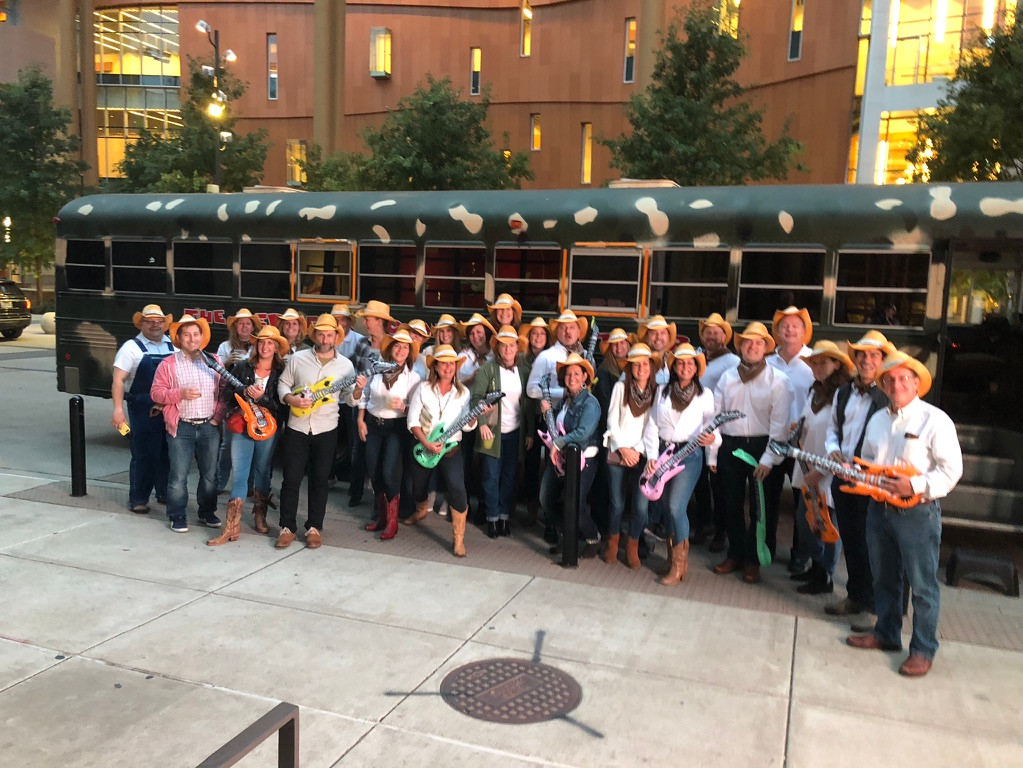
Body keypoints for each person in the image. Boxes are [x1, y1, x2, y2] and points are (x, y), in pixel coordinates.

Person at [847, 351, 962, 678]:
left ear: (915, 383)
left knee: (923, 585)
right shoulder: (877, 420)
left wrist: (913, 485)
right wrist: (857, 476)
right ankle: (886, 633)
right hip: (878, 509)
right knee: (884, 577)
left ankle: (923, 649)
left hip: (918, 514)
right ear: (883, 385)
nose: (896, 385)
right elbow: (868, 463)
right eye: (890, 380)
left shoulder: (934, 419)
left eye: (903, 379)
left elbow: (951, 471)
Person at [710, 321, 792, 584]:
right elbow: (715, 417)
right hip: (731, 446)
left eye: (759, 342)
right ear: (741, 346)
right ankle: (735, 553)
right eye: (748, 341)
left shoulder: (778, 381)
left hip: (761, 446)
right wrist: (713, 452)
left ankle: (754, 560)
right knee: (730, 503)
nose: (753, 346)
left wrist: (768, 459)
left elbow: (780, 426)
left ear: (766, 348)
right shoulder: (727, 377)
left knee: (761, 509)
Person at [823, 330, 894, 624]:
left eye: (874, 356)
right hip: (843, 477)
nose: (867, 360)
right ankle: (855, 596)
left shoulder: (889, 396)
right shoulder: (843, 392)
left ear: (882, 361)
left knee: (872, 544)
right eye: (862, 355)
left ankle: (875, 607)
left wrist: (869, 470)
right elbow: (833, 429)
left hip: (871, 482)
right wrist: (833, 450)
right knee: (851, 539)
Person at [276, 314, 358, 549]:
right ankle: (287, 527)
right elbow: (283, 383)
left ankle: (314, 527)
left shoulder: (346, 366)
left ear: (336, 337)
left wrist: (359, 390)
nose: (325, 339)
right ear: (315, 335)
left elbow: (350, 399)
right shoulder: (298, 359)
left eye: (329, 335)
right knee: (291, 479)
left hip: (326, 428)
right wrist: (290, 399)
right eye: (321, 334)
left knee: (320, 480)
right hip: (297, 426)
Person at [643, 343, 719, 584]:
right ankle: (671, 557)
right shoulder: (662, 391)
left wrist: (713, 442)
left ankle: (680, 565)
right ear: (674, 367)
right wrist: (651, 456)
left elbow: (714, 427)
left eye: (690, 363)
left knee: (676, 507)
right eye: (680, 363)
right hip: (664, 452)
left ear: (696, 368)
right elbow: (652, 424)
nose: (685, 367)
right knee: (666, 507)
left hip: (690, 454)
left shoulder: (705, 395)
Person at [208, 325, 289, 546]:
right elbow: (226, 392)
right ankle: (231, 526)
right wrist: (242, 392)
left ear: (276, 347)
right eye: (261, 342)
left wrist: (262, 399)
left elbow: (283, 405)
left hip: (268, 429)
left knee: (262, 470)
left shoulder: (282, 372)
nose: (265, 346)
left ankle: (259, 515)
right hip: (242, 426)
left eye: (270, 343)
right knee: (240, 473)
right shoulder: (242, 366)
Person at [788, 341, 854, 594]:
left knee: (828, 522)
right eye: (813, 363)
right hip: (807, 463)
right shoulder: (813, 390)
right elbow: (808, 421)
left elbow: (841, 435)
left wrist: (825, 469)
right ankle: (816, 567)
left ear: (836, 364)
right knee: (807, 519)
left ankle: (825, 574)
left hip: (828, 468)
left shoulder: (844, 395)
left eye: (822, 362)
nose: (816, 367)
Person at [151, 314, 226, 533]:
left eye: (195, 334)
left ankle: (207, 512)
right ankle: (177, 515)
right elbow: (156, 393)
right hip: (181, 426)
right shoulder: (168, 364)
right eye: (187, 334)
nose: (192, 339)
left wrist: (217, 417)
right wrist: (180, 393)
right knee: (178, 475)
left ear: (202, 337)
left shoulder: (214, 360)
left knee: (210, 475)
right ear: (179, 338)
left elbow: (224, 393)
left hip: (209, 426)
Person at [404, 344, 479, 557]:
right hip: (423, 446)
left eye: (452, 364)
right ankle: (421, 509)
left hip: (450, 449)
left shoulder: (463, 393)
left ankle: (458, 539)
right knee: (418, 487)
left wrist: (475, 415)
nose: (448, 368)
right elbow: (412, 420)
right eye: (443, 364)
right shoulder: (423, 388)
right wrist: (427, 443)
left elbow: (467, 426)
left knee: (458, 489)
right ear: (435, 367)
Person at [356, 327, 421, 541]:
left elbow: (418, 409)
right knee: (374, 470)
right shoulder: (376, 369)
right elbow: (364, 395)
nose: (401, 350)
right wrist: (360, 420)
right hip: (373, 423)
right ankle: (381, 517)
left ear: (409, 353)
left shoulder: (413, 377)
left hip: (397, 427)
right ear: (391, 348)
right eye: (397, 346)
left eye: (405, 348)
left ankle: (392, 521)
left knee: (390, 471)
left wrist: (403, 406)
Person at [111, 304, 175, 515]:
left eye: (159, 321)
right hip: (142, 407)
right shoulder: (131, 348)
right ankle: (139, 498)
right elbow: (118, 380)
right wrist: (118, 410)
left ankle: (165, 492)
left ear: (165, 324)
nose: (155, 325)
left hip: (169, 406)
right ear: (141, 324)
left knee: (168, 452)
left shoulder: (173, 345)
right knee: (145, 454)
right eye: (150, 321)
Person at [539, 353, 602, 558]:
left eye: (576, 373)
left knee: (574, 504)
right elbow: (557, 428)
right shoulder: (565, 402)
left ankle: (592, 539)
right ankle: (568, 536)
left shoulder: (591, 403)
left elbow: (583, 432)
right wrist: (547, 412)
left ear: (585, 377)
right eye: (568, 374)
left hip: (582, 461)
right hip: (560, 460)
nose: (572, 377)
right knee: (546, 498)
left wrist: (558, 443)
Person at [766, 306, 815, 568]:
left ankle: (800, 554)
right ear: (778, 331)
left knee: (801, 501)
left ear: (805, 331)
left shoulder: (813, 361)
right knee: (768, 498)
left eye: (796, 325)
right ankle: (766, 548)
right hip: (773, 441)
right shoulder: (768, 362)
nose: (790, 330)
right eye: (785, 326)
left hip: (801, 444)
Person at [603, 342, 657, 567]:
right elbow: (611, 420)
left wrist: (637, 451)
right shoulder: (620, 387)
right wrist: (623, 449)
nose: (641, 368)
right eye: (635, 364)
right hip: (618, 452)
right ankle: (613, 542)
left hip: (642, 456)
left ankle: (633, 543)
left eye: (645, 364)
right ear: (629, 367)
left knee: (640, 507)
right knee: (616, 503)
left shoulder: (657, 391)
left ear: (651, 366)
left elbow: (653, 427)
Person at [473, 325, 529, 538]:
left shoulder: (523, 371)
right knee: (490, 476)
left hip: (515, 432)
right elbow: (477, 398)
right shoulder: (488, 369)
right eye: (503, 345)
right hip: (492, 432)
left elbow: (528, 404)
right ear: (497, 347)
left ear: (517, 347)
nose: (508, 349)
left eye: (512, 345)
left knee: (509, 476)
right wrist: (482, 424)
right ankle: (492, 518)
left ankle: (504, 517)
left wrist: (529, 433)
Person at [694, 312, 739, 551]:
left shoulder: (732, 361)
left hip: (718, 431)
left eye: (716, 332)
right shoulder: (700, 358)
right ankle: (704, 525)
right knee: (700, 482)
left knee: (719, 485)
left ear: (724, 336)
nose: (711, 336)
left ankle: (721, 532)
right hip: (696, 430)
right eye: (707, 332)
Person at [348, 300, 395, 506]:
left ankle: (381, 498)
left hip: (381, 406)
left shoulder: (392, 346)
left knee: (380, 454)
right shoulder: (362, 344)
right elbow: (352, 368)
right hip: (361, 402)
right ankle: (355, 492)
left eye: (368, 319)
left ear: (380, 321)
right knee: (357, 449)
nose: (365, 323)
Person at [216, 309, 264, 493]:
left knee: (253, 442)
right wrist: (228, 361)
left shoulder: (258, 345)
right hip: (233, 401)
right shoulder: (225, 346)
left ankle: (249, 485)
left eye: (248, 323)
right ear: (235, 327)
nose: (244, 327)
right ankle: (220, 482)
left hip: (255, 401)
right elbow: (215, 372)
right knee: (227, 444)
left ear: (253, 327)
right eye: (240, 323)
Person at [518, 316, 551, 526]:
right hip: (527, 417)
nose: (538, 337)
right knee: (530, 464)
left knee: (550, 464)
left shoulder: (551, 359)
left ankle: (547, 508)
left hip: (548, 418)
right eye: (534, 333)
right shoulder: (522, 360)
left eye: (542, 333)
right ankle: (530, 507)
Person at [637, 315, 680, 385]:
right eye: (654, 333)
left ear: (668, 337)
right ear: (647, 337)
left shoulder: (677, 362)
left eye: (663, 333)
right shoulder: (636, 362)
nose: (659, 337)